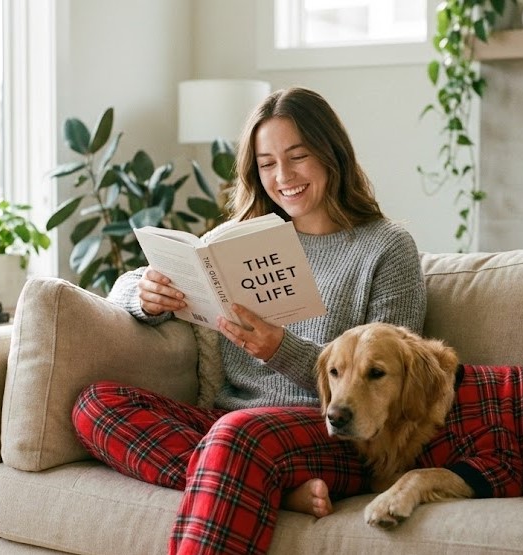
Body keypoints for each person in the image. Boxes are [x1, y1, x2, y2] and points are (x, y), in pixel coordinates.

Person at [71, 86, 427, 554]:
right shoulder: (238, 240)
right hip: (231, 424)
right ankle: (274, 488)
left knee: (238, 435)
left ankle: (251, 472)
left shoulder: (386, 247)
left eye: (298, 156)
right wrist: (143, 293)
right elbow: (124, 290)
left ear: (332, 155)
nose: (284, 176)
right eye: (267, 164)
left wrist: (281, 350)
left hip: (333, 433)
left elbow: (394, 385)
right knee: (95, 404)